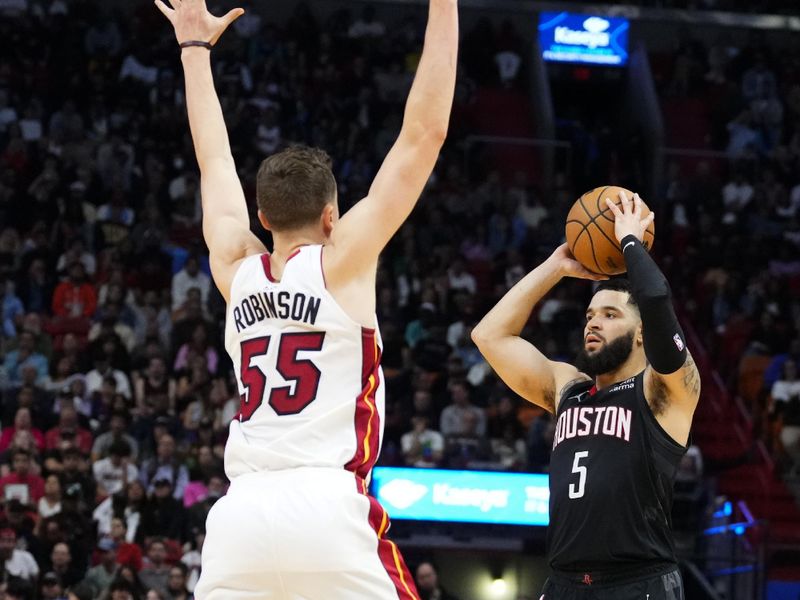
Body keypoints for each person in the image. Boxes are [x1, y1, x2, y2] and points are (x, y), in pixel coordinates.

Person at [154, 0, 457, 596]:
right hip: (326, 506)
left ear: (261, 215)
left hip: (238, 520)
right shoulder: (343, 261)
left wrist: (194, 52)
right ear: (331, 215)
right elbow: (425, 134)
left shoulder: (234, 269)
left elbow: (213, 160)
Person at [472, 191, 701, 599]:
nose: (593, 324)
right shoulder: (568, 388)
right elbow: (489, 335)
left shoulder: (663, 391)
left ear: (642, 332)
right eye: (590, 316)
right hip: (563, 583)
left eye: (610, 315)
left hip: (638, 583)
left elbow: (657, 299)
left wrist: (629, 240)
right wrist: (554, 267)